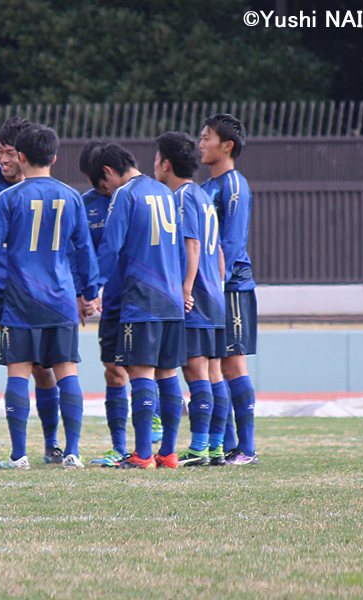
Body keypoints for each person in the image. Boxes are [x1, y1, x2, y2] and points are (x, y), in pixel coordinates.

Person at [0, 125, 100, 470]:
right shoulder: (72, 196)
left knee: (18, 373)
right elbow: (85, 253)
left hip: (20, 299)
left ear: (24, 157)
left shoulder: (9, 198)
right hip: (59, 299)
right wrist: (90, 292)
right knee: (67, 372)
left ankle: (19, 455)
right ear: (55, 157)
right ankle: (73, 452)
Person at [89, 143, 189, 469]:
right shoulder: (166, 192)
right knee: (169, 374)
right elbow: (182, 250)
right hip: (173, 297)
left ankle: (143, 454)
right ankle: (169, 453)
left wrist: (92, 289)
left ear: (108, 171)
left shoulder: (125, 195)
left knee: (141, 373)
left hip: (142, 299)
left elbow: (110, 247)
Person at [152, 132, 229, 467]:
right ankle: (214, 447)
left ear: (166, 164)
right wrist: (217, 284)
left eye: (156, 159)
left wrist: (185, 288)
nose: (153, 165)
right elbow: (220, 251)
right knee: (213, 372)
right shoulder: (202, 196)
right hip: (214, 296)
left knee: (195, 371)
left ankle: (199, 448)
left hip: (196, 296)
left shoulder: (181, 197)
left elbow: (192, 245)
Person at [199, 114, 259, 466]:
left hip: (231, 287)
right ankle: (228, 445)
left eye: (207, 137)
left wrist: (216, 285)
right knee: (216, 365)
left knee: (233, 363)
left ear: (227, 146)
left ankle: (247, 449)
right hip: (211, 288)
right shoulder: (206, 188)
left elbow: (233, 244)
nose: (201, 143)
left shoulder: (234, 186)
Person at [73, 141, 129, 468]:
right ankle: (120, 447)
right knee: (114, 370)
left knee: (150, 370)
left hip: (144, 299)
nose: (99, 188)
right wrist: (85, 292)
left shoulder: (139, 197)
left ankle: (156, 444)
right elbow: (80, 252)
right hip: (111, 304)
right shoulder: (85, 205)